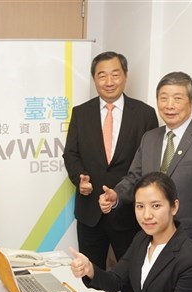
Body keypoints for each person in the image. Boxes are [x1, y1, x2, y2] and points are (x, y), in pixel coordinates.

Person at [99, 72, 192, 246]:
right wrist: (116, 195)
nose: (169, 105)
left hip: (188, 239)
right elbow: (135, 178)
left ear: (191, 103)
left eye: (177, 99)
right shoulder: (150, 138)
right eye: (163, 98)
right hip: (150, 237)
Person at [63, 51, 158, 271]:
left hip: (129, 213)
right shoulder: (81, 113)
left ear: (125, 75)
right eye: (102, 76)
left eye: (115, 74)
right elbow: (71, 154)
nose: (109, 82)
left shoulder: (145, 114)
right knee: (89, 273)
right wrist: (80, 179)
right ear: (94, 79)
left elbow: (150, 163)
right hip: (90, 212)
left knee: (133, 274)